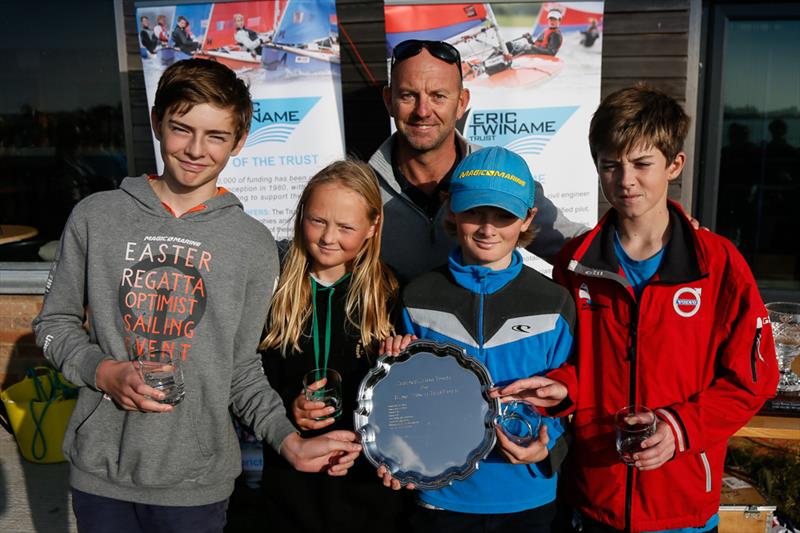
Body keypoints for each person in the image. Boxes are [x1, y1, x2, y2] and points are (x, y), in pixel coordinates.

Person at [32, 58, 361, 533]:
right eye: (181, 129)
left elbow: (242, 369)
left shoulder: (250, 243)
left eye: (216, 136)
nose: (195, 149)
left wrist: (288, 441)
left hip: (197, 481)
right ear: (157, 124)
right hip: (101, 471)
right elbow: (52, 325)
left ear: (239, 141)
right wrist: (103, 371)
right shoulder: (95, 216)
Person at [492, 85, 779, 533]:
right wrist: (560, 388)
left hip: (681, 503)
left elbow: (752, 381)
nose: (625, 180)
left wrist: (679, 427)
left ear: (674, 165)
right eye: (611, 165)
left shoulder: (716, 263)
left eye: (642, 163)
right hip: (593, 497)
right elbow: (571, 363)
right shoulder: (575, 263)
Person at [382, 146, 575, 532]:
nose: (488, 229)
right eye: (474, 212)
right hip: (440, 497)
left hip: (529, 497)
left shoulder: (554, 300)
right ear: (452, 210)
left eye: (503, 216)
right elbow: (399, 397)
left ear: (528, 218)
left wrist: (548, 445)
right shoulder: (418, 296)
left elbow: (572, 396)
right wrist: (395, 451)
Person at [259, 159, 410, 532]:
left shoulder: (392, 293)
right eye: (317, 221)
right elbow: (248, 378)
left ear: (372, 227)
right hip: (291, 486)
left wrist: (405, 359)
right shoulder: (273, 289)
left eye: (345, 227)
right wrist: (288, 407)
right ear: (301, 216)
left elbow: (407, 402)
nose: (328, 237)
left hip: (369, 489)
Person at [370, 39, 586, 283]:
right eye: (408, 95)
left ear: (462, 102)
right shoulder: (360, 187)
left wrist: (633, 244)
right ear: (389, 100)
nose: (423, 111)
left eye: (438, 96)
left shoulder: (500, 175)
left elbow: (573, 245)